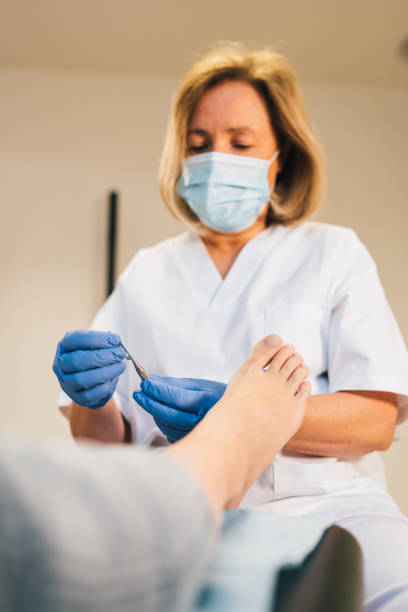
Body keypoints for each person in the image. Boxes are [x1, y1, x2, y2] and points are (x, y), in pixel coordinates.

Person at [54, 44, 408, 610]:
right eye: (199, 145)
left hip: (331, 510)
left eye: (240, 144)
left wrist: (250, 413)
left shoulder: (332, 253)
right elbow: (104, 442)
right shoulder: (149, 273)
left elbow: (376, 421)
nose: (217, 158)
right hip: (179, 513)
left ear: (280, 158)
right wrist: (88, 399)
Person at [3, 337, 312, 611]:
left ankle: (215, 455)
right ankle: (227, 452)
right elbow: (101, 446)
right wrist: (93, 403)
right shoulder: (138, 278)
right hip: (153, 491)